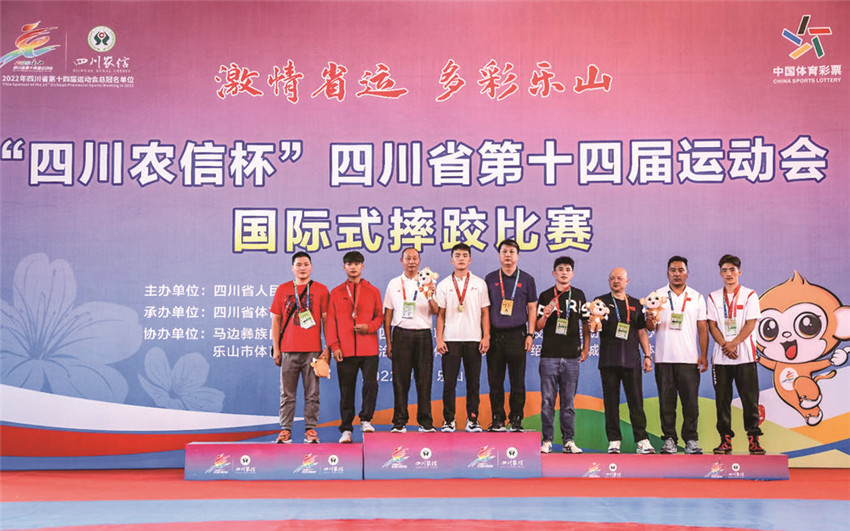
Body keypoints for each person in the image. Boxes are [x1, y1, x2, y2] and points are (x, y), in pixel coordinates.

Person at [646, 256, 709, 455]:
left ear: (687, 273)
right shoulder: (657, 295)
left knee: (691, 403)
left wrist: (703, 355)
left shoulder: (697, 297)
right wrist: (650, 318)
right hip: (664, 358)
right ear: (667, 273)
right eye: (673, 270)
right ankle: (669, 440)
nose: (677, 274)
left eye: (681, 270)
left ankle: (691, 440)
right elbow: (650, 327)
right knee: (667, 403)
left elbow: (702, 328)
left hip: (689, 359)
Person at [706, 254, 765, 455]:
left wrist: (734, 343)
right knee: (722, 400)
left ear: (739, 272)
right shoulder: (713, 297)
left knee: (750, 399)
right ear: (720, 274)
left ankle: (754, 440)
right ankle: (725, 440)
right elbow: (712, 325)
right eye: (724, 270)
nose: (729, 274)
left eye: (732, 269)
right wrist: (725, 345)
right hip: (721, 358)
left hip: (745, 356)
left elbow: (751, 323)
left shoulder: (750, 295)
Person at [270, 252, 330, 444]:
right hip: (288, 350)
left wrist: (328, 347)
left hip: (313, 351)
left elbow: (326, 320)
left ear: (311, 267)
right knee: (287, 393)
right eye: (298, 264)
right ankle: (285, 430)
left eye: (305, 264)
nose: (302, 268)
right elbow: (276, 320)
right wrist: (276, 348)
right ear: (292, 268)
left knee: (312, 393)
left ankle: (310, 430)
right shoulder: (283, 289)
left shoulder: (321, 290)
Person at [596, 267, 655, 454]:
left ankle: (642, 440)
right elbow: (595, 327)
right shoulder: (601, 302)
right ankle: (614, 441)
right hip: (609, 361)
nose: (616, 281)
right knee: (611, 403)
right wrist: (594, 323)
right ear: (609, 281)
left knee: (636, 402)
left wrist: (647, 355)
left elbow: (642, 331)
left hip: (631, 360)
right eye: (612, 278)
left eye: (619, 278)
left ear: (627, 281)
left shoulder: (636, 304)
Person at [327, 251, 383, 443]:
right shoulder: (336, 293)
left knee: (370, 385)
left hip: (369, 349)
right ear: (344, 267)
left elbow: (380, 316)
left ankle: (366, 419)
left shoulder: (373, 290)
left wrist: (369, 327)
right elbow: (331, 322)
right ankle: (346, 429)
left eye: (357, 263)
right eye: (349, 264)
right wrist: (334, 346)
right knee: (346, 391)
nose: (353, 267)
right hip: (345, 350)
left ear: (362, 266)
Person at [535, 256, 590, 454]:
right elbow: (537, 327)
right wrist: (545, 315)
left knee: (568, 403)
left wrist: (586, 348)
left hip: (571, 357)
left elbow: (586, 324)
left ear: (572, 273)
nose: (564, 272)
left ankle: (568, 440)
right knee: (547, 401)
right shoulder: (545, 296)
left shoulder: (579, 295)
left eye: (568, 269)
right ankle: (547, 440)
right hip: (549, 356)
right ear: (554, 273)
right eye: (560, 269)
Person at [435, 243, 490, 432]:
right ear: (452, 260)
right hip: (450, 340)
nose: (461, 259)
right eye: (457, 255)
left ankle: (472, 420)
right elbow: (440, 314)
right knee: (449, 383)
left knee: (473, 383)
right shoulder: (443, 285)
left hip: (474, 339)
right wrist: (439, 338)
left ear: (470, 259)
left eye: (465, 255)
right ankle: (448, 420)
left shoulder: (479, 284)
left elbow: (485, 312)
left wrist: (486, 336)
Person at [383, 248, 438, 433]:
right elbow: (388, 314)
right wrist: (388, 342)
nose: (412, 262)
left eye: (415, 258)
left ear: (419, 261)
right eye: (408, 258)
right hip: (401, 335)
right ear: (402, 261)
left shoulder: (428, 281)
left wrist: (428, 294)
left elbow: (435, 310)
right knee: (400, 381)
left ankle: (425, 422)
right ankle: (399, 422)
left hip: (423, 335)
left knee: (424, 380)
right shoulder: (393, 284)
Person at [485, 239, 537, 432]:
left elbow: (532, 309)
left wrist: (530, 334)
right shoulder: (490, 278)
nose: (508, 255)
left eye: (511, 252)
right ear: (499, 255)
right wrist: (486, 335)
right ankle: (497, 419)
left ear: (517, 255)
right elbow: (485, 310)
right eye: (504, 251)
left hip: (518, 335)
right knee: (495, 381)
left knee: (517, 381)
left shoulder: (527, 279)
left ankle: (516, 419)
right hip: (495, 336)